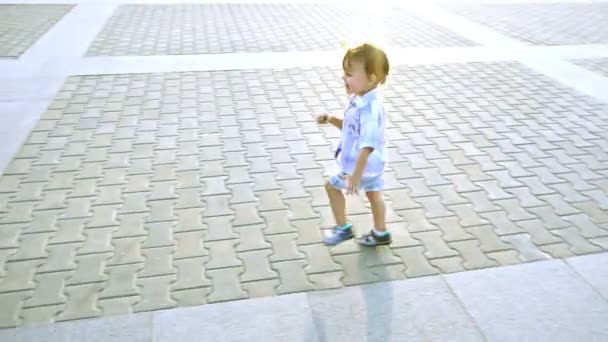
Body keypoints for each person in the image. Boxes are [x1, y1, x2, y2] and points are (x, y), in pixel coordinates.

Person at [316, 43, 391, 247]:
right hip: (374, 165)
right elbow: (351, 128)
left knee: (331, 187)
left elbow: (366, 145)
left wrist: (355, 176)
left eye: (349, 74)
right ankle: (381, 232)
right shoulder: (361, 99)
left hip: (361, 166)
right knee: (374, 193)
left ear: (372, 78)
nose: (343, 77)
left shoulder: (368, 108)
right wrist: (331, 119)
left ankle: (343, 229)